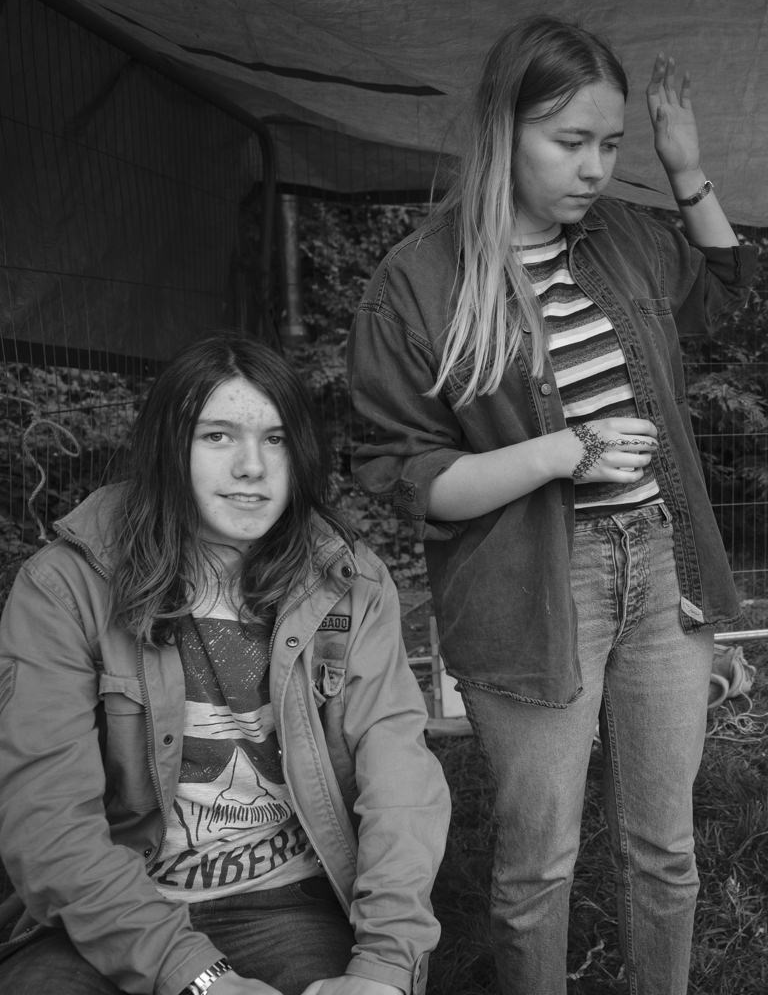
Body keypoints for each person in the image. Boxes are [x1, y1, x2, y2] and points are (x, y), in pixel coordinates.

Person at [345, 15, 755, 995]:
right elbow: (408, 476)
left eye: (610, 145)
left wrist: (685, 168)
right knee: (539, 866)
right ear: (504, 129)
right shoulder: (420, 280)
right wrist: (564, 450)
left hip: (664, 562)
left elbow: (728, 292)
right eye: (570, 141)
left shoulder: (625, 236)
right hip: (532, 581)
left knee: (667, 849)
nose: (594, 169)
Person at [0, 336, 450, 995]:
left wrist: (385, 962)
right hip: (109, 910)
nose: (252, 467)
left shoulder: (348, 582)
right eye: (217, 436)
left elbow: (401, 780)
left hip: (287, 906)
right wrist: (199, 978)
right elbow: (47, 821)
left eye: (275, 440)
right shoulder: (67, 587)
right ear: (167, 450)